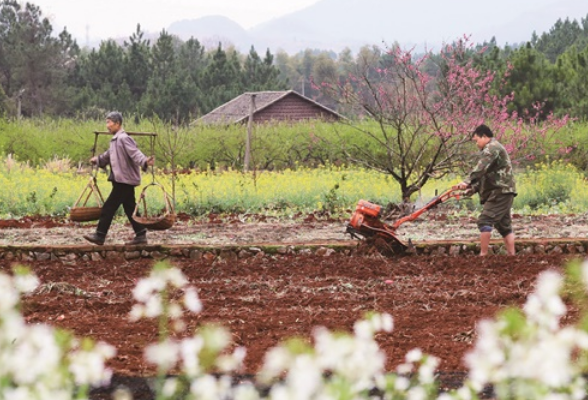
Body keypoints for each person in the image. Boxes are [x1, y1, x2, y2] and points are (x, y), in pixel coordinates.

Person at [83, 111, 154, 246]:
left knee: (109, 207)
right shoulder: (115, 140)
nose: (107, 126)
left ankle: (100, 235)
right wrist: (97, 160)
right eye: (107, 122)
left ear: (117, 124)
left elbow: (135, 153)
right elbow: (107, 156)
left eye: (109, 122)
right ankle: (141, 234)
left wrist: (144, 161)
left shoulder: (123, 138)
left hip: (124, 180)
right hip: (120, 179)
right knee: (130, 207)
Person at [453, 124, 517, 256]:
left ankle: (483, 256)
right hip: (503, 191)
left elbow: (480, 169)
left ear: (484, 136)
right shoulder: (491, 149)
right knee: (504, 226)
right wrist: (471, 189)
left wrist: (466, 181)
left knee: (484, 220)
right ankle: (512, 256)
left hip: (500, 191)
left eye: (476, 140)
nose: (476, 143)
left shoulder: (492, 148)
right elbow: (485, 175)